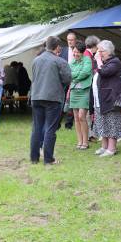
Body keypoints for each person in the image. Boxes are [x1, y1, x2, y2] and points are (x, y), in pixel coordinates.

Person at [30, 36, 72, 164]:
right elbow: (68, 79)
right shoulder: (60, 61)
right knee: (50, 128)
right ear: (58, 47)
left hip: (36, 96)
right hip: (52, 98)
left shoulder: (36, 60)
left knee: (37, 128)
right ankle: (48, 159)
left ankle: (34, 158)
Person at [92, 40, 121, 157]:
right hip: (100, 99)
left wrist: (98, 60)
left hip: (111, 99)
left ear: (108, 51)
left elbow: (104, 72)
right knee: (103, 123)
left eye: (101, 51)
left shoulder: (114, 62)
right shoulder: (105, 62)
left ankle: (111, 149)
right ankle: (104, 147)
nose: (99, 53)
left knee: (112, 124)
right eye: (98, 51)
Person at [70, 41, 93, 150]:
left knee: (81, 116)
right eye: (74, 52)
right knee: (76, 118)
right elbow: (70, 74)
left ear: (82, 52)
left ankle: (85, 141)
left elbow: (86, 72)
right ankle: (79, 141)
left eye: (77, 52)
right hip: (74, 91)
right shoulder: (72, 62)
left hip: (84, 91)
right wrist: (76, 75)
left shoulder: (87, 60)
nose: (75, 54)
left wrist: (76, 76)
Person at [60, 32, 77, 129]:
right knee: (61, 101)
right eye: (68, 40)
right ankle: (57, 123)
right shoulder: (63, 51)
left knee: (71, 102)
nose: (70, 42)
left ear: (75, 40)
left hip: (75, 79)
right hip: (64, 80)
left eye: (72, 40)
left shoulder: (79, 51)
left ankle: (68, 124)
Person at [84, 35, 100, 141]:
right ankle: (90, 134)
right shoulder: (88, 55)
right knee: (89, 111)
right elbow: (90, 70)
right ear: (94, 45)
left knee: (90, 110)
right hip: (89, 85)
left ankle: (91, 133)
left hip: (90, 85)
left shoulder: (89, 54)